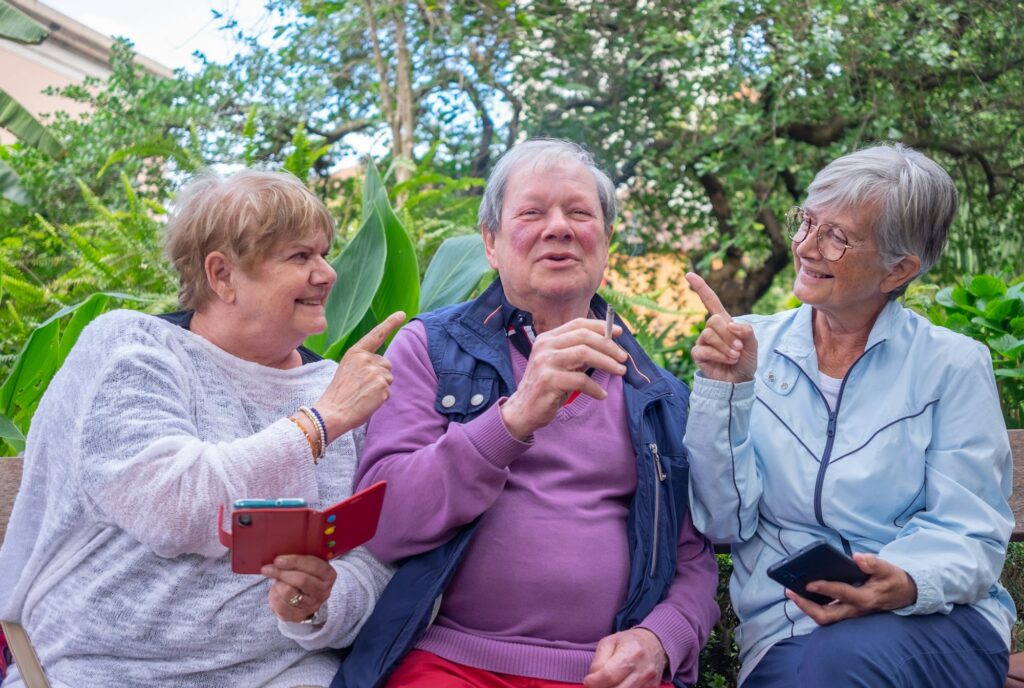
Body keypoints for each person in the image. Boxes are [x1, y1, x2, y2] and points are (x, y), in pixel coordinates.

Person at [330, 138, 720, 688]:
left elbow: (692, 560)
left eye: (579, 213)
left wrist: (661, 638)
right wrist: (511, 420)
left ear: (606, 241)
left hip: (607, 675)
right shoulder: (430, 350)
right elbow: (385, 524)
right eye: (532, 212)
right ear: (490, 243)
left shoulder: (657, 393)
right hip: (450, 662)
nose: (558, 227)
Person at [0, 169, 403, 687]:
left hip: (284, 674)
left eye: (324, 253)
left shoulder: (334, 383)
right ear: (222, 275)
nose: (328, 273)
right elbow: (173, 505)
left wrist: (321, 602)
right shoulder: (133, 349)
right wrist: (321, 423)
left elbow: (376, 557)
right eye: (300, 257)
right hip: (102, 672)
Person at [683, 144, 1015, 687]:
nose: (807, 247)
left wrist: (906, 582)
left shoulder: (950, 365)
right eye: (807, 223)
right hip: (790, 626)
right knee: (823, 667)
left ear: (899, 269)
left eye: (837, 237)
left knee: (838, 667)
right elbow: (722, 522)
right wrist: (725, 393)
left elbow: (970, 532)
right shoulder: (748, 347)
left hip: (936, 621)